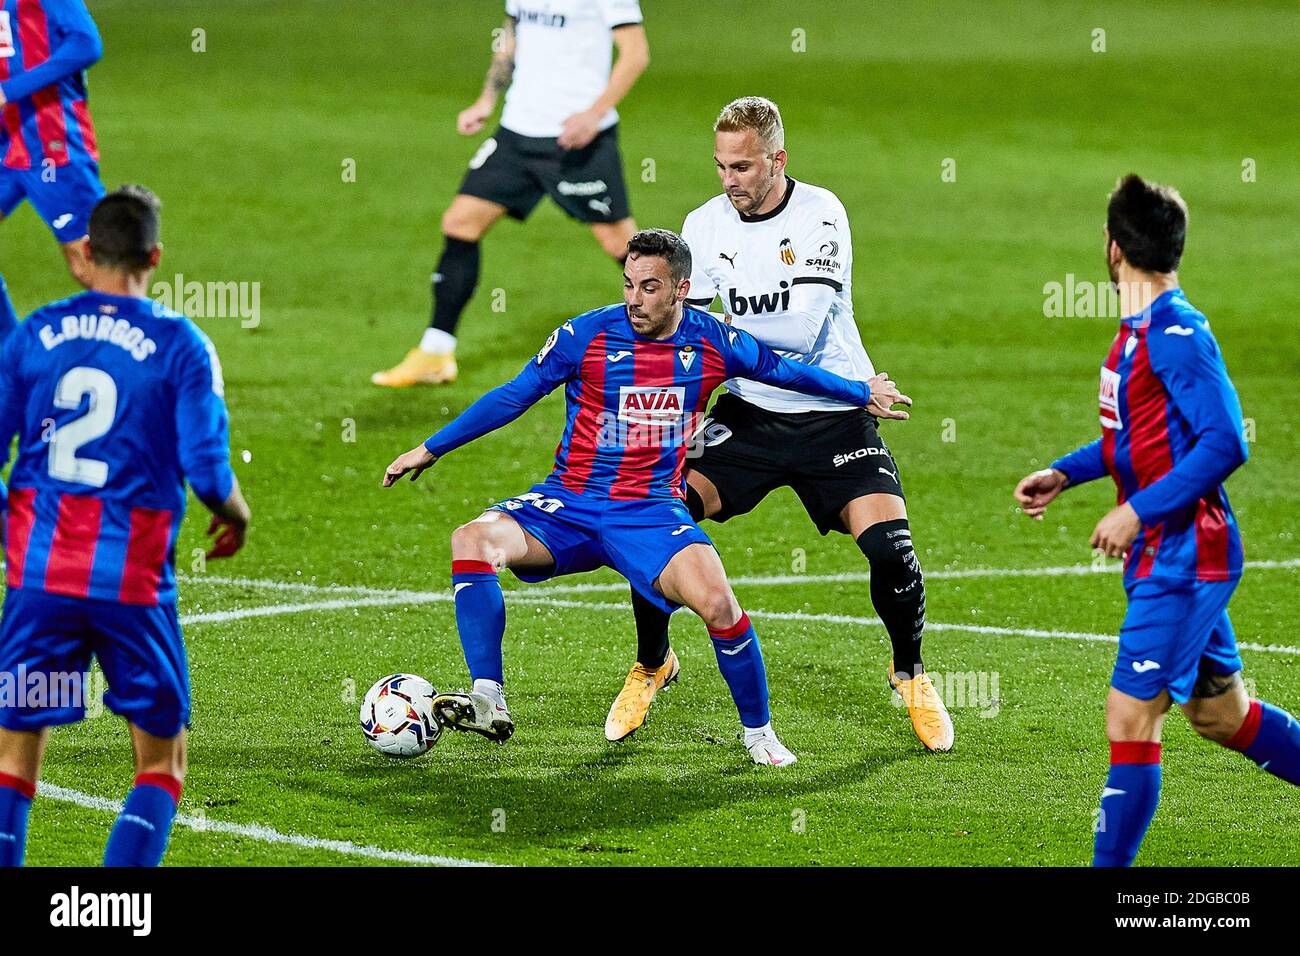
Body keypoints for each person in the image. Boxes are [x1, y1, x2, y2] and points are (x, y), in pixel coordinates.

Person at [382, 228, 908, 765]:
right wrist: (431, 447)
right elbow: (515, 395)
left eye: (650, 287)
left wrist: (862, 392)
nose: (635, 299)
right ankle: (488, 696)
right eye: (629, 284)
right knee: (471, 539)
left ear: (682, 289)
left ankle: (759, 734)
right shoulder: (584, 335)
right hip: (571, 503)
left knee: (719, 604)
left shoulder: (714, 342)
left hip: (651, 512)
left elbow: (788, 373)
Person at [608, 97, 952, 751]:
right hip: (747, 418)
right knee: (655, 520)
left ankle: (909, 674)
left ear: (777, 160)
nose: (730, 180)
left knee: (891, 550)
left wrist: (706, 330)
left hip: (834, 415)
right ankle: (654, 663)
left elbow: (799, 331)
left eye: (742, 166)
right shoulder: (703, 227)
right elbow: (686, 342)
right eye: (720, 167)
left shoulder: (821, 213)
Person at [1014, 174, 1300, 866]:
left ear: (1113, 248)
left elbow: (1226, 440)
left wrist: (1136, 510)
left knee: (1128, 717)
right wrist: (1068, 472)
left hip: (1183, 557)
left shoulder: (1177, 334)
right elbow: (1137, 439)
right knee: (1219, 715)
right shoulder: (1139, 331)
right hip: (1169, 554)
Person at [0, 186, 251, 867]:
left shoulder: (36, 334)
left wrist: (12, 528)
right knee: (160, 762)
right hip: (129, 590)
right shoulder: (181, 344)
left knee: (16, 756)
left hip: (38, 582)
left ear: (85, 251)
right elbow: (207, 474)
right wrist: (237, 517)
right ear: (155, 256)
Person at [371, 0, 649, 387]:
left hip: (577, 138)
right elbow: (510, 38)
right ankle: (435, 352)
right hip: (516, 134)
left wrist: (594, 114)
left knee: (622, 244)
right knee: (460, 222)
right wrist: (487, 99)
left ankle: (689, 334)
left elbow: (636, 54)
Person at [0, 0, 106, 338]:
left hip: (54, 143)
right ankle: (9, 361)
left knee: (90, 265)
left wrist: (9, 90)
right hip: (5, 144)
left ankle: (138, 363)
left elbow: (86, 43)